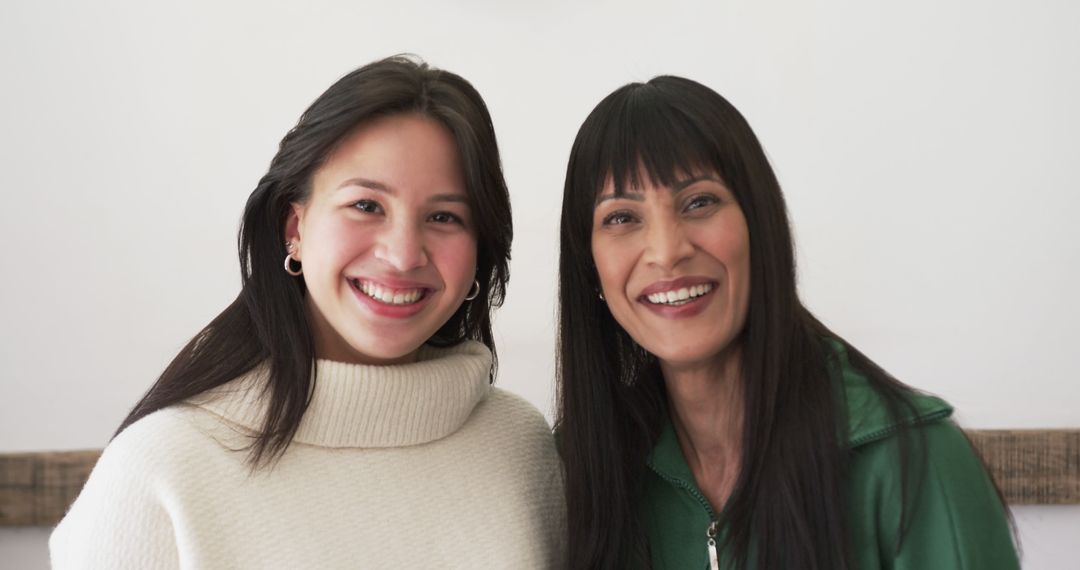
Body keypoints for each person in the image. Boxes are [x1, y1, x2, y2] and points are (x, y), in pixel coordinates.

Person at [50, 56, 564, 569]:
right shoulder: (162, 468)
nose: (404, 254)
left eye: (444, 217)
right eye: (367, 206)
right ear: (294, 227)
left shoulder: (522, 448)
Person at [555, 75, 1019, 570]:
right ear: (591, 267)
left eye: (699, 202)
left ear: (761, 223)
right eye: (622, 217)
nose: (667, 252)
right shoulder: (584, 468)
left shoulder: (917, 461)